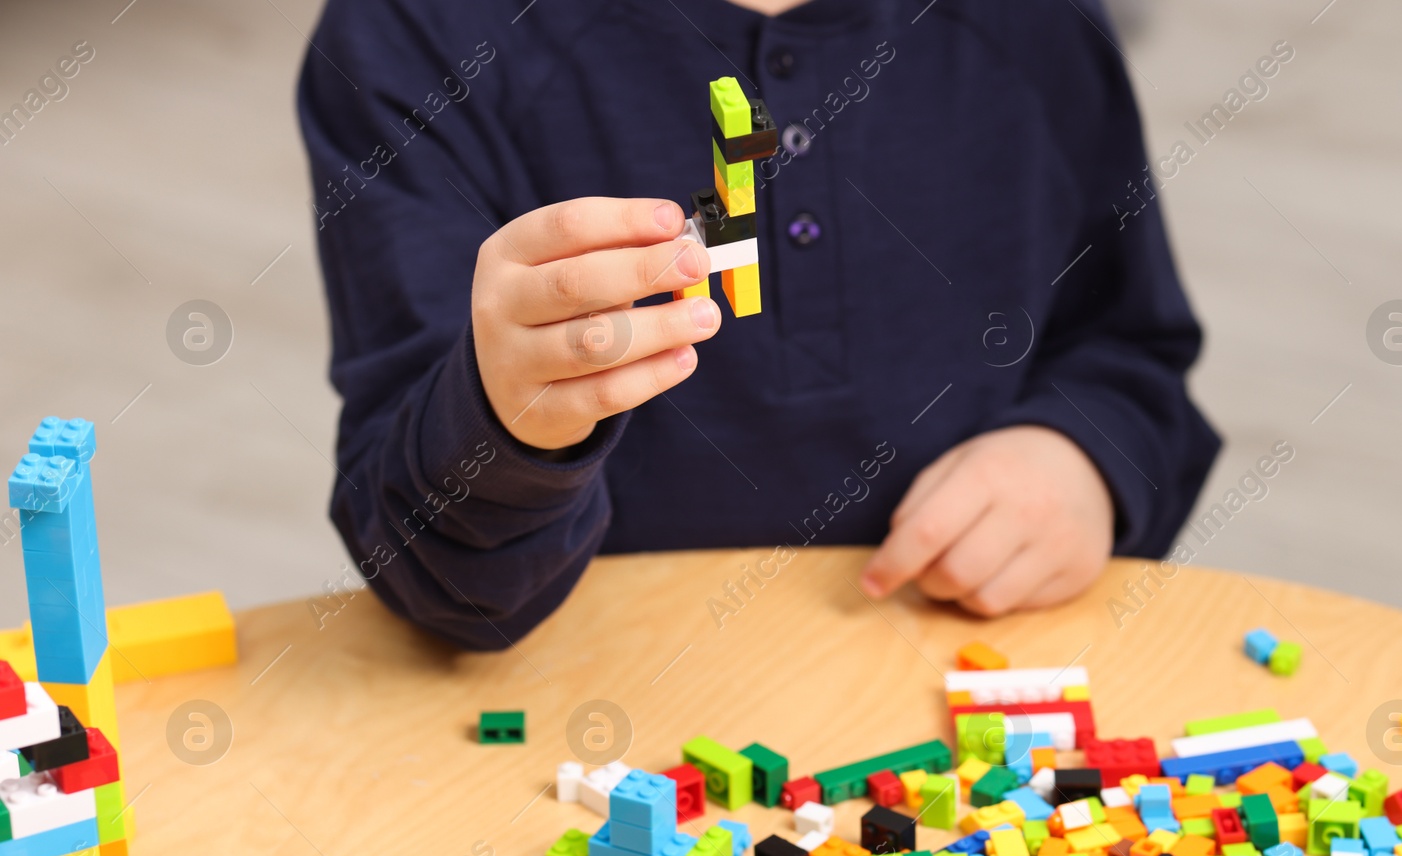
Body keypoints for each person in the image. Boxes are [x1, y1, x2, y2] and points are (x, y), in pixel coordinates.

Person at [297, 0, 1220, 650]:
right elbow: (429, 576)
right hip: (592, 715)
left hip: (963, 671)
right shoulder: (410, 32)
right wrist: (503, 426)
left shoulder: (1037, 26)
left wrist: (1083, 457)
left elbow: (1134, 355)